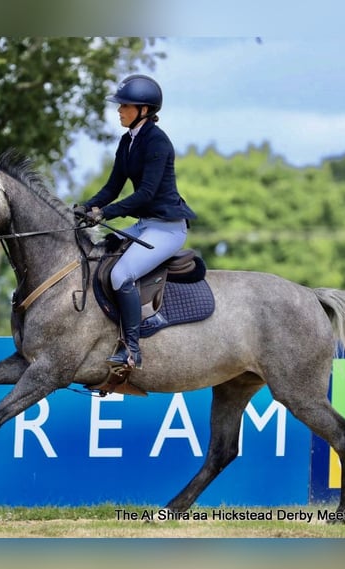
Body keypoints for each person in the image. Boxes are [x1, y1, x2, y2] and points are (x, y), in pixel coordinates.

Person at [75, 74, 197, 370]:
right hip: (145, 225)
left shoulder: (158, 142)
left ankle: (131, 349)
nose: (119, 110)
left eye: (124, 106)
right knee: (97, 256)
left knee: (121, 275)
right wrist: (87, 206)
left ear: (143, 109)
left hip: (167, 229)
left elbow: (145, 194)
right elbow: (113, 187)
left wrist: (106, 214)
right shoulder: (127, 141)